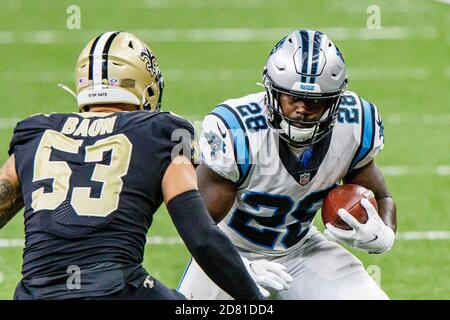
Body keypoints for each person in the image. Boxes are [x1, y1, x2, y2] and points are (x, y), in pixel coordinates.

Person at [0, 31, 291, 300]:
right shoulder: (161, 132)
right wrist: (251, 296)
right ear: (146, 86)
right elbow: (202, 238)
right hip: (116, 290)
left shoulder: (38, 133)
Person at [178, 29, 397, 300]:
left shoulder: (354, 125)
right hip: (230, 252)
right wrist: (237, 267)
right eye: (293, 97)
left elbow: (383, 197)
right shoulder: (239, 132)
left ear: (334, 101)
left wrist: (384, 234)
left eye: (314, 101)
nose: (302, 109)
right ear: (272, 92)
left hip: (301, 248)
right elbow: (196, 227)